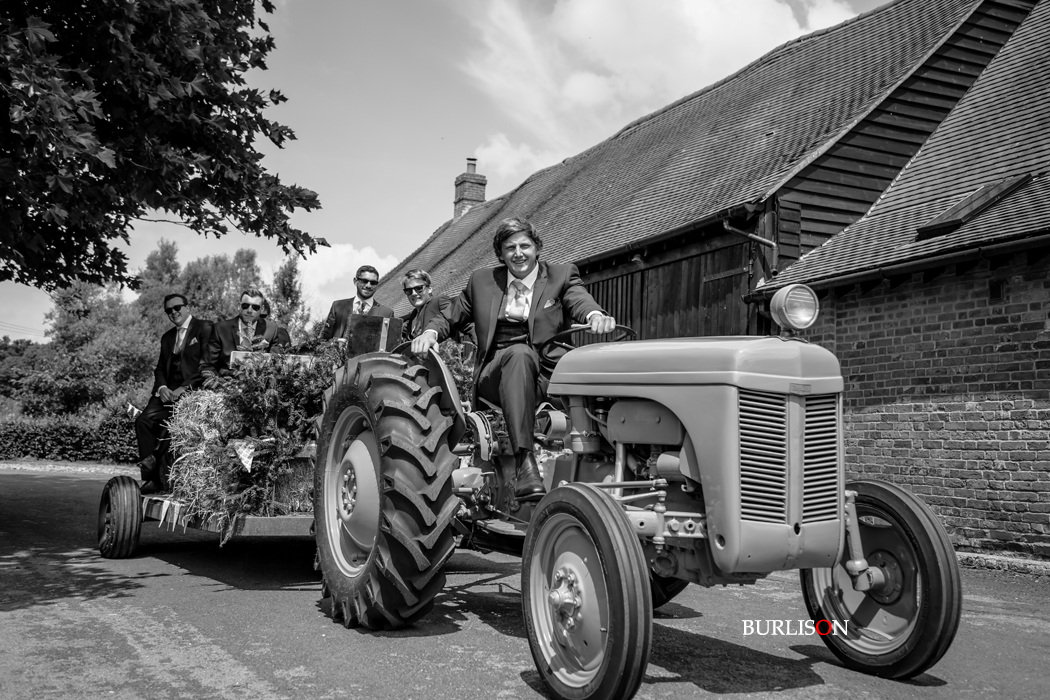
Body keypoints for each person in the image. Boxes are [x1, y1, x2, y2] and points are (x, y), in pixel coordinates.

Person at [412, 217, 615, 500]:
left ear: (537, 248)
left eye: (524, 246)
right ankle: (525, 464)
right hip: (496, 375)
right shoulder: (482, 281)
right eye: (510, 248)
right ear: (501, 253)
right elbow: (450, 315)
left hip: (548, 375)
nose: (518, 253)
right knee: (519, 355)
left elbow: (579, 299)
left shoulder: (561, 275)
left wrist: (594, 315)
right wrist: (430, 332)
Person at [135, 294, 214, 494]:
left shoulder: (205, 328)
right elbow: (160, 368)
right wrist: (162, 388)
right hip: (168, 391)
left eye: (177, 307)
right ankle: (151, 476)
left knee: (174, 424)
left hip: (193, 391)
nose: (173, 312)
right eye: (168, 310)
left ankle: (154, 463)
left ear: (187, 307)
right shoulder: (167, 337)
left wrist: (184, 388)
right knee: (143, 421)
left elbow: (207, 365)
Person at [200, 289, 273, 386]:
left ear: (262, 309)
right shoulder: (220, 329)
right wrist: (221, 385)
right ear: (239, 305)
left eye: (255, 307)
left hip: (259, 387)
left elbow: (276, 364)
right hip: (226, 387)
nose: (249, 310)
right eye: (245, 305)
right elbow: (207, 365)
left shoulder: (272, 329)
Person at [320, 265, 395, 342]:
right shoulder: (337, 307)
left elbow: (391, 345)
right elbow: (323, 341)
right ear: (355, 281)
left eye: (373, 283)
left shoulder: (387, 314)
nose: (368, 286)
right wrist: (336, 341)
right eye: (364, 281)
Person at [399, 269, 451, 341]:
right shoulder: (413, 315)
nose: (414, 293)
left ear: (429, 289)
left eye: (418, 288)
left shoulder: (439, 301)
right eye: (408, 290)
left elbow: (452, 317)